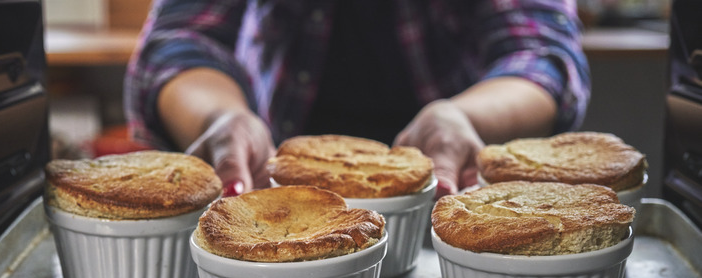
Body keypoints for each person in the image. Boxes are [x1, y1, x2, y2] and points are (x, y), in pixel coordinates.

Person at [124, 0, 590, 198]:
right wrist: (223, 116)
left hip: (454, 179)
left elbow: (542, 54)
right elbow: (180, 40)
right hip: (278, 178)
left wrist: (460, 117)